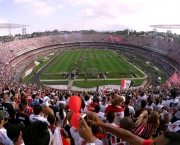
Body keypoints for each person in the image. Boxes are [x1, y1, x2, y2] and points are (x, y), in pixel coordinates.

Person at [78, 111, 180, 145]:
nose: (151, 142)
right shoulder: (152, 143)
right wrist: (100, 124)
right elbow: (129, 136)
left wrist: (90, 140)